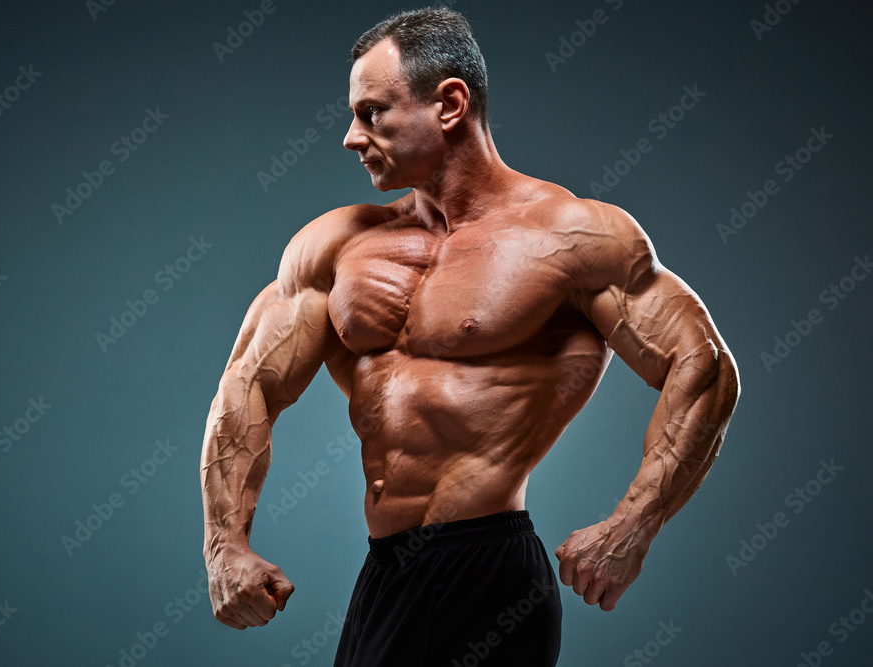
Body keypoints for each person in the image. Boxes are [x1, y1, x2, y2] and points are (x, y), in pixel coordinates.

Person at [200, 7, 740, 666]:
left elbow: (703, 364)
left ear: (450, 104)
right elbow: (248, 383)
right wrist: (225, 544)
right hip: (386, 576)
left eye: (371, 113)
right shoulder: (339, 244)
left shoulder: (568, 236)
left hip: (490, 571)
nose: (350, 137)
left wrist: (633, 525)